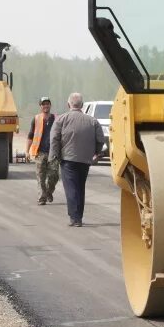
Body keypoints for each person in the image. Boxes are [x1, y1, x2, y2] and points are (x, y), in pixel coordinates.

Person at [48, 92, 106, 227]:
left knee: (71, 188)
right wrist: (96, 153)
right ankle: (78, 216)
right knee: (80, 187)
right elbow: (100, 140)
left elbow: (54, 139)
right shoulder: (92, 121)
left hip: (68, 159)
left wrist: (53, 156)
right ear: (82, 105)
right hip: (85, 160)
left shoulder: (61, 119)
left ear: (69, 104)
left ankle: (75, 218)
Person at [26, 96, 58, 205]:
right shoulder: (36, 119)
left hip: (53, 153)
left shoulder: (56, 118)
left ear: (50, 105)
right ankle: (42, 197)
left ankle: (49, 192)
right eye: (43, 104)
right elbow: (30, 136)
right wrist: (27, 151)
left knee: (54, 176)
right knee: (41, 177)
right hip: (40, 153)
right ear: (40, 106)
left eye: (47, 103)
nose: (46, 106)